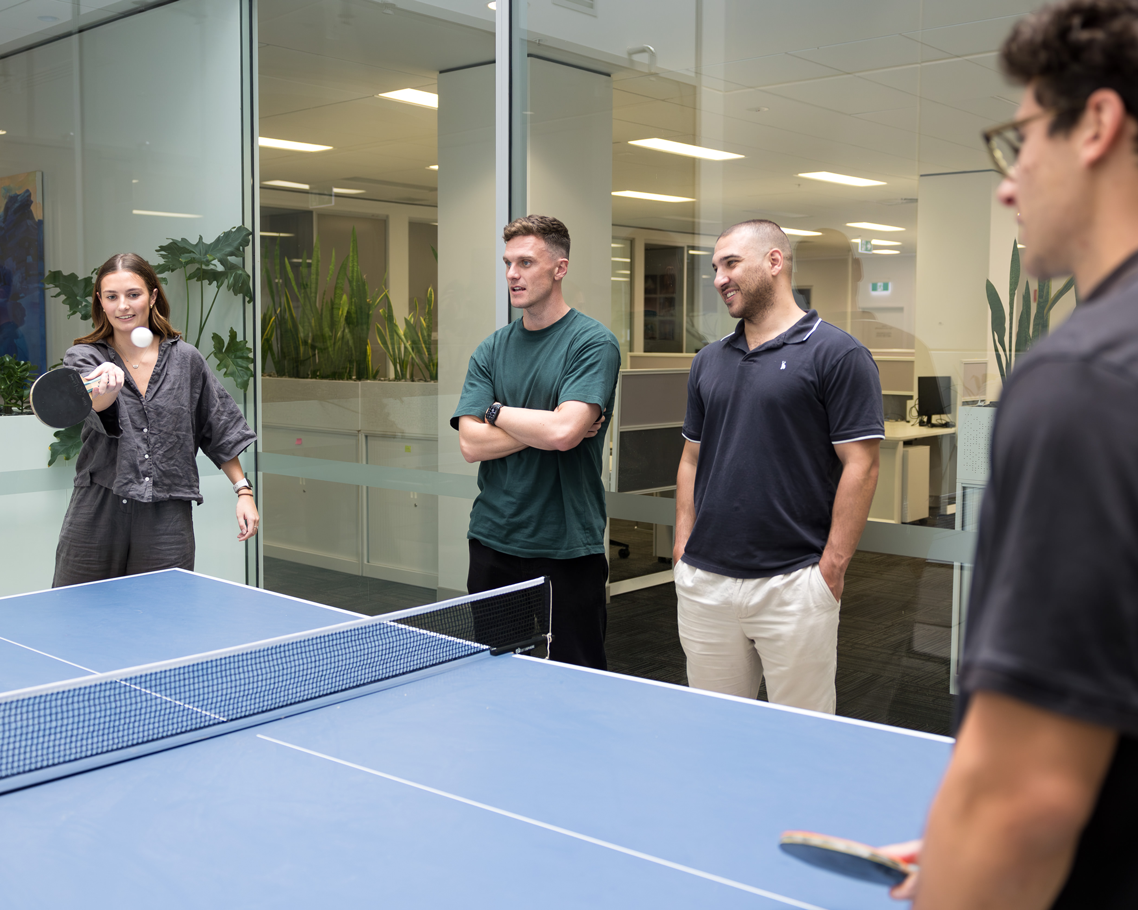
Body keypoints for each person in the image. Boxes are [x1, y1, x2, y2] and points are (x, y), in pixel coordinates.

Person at [883, 2, 1138, 906]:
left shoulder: (1083, 377)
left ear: (1097, 124)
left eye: (1019, 139)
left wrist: (974, 865)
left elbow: (1020, 799)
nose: (1006, 182)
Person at [672, 219, 882, 713]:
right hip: (706, 582)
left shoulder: (838, 353)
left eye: (730, 264)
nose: (719, 278)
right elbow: (690, 458)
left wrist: (831, 568)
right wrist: (682, 545)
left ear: (774, 262)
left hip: (794, 584)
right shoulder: (709, 360)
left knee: (802, 742)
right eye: (715, 268)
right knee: (712, 733)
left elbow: (862, 466)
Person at [452, 215, 621, 668]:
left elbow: (567, 434)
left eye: (526, 262)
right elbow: (470, 444)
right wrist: (546, 428)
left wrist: (495, 413)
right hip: (493, 541)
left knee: (576, 678)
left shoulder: (591, 344)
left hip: (567, 545)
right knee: (498, 673)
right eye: (508, 263)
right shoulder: (490, 349)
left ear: (559, 268)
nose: (512, 274)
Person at [52, 252, 259, 586]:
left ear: (152, 296)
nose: (123, 306)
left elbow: (217, 427)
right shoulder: (85, 357)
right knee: (78, 613)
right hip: (99, 506)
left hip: (167, 511)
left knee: (163, 617)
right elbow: (98, 408)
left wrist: (244, 492)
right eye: (112, 297)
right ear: (100, 303)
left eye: (133, 294)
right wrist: (107, 382)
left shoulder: (186, 360)